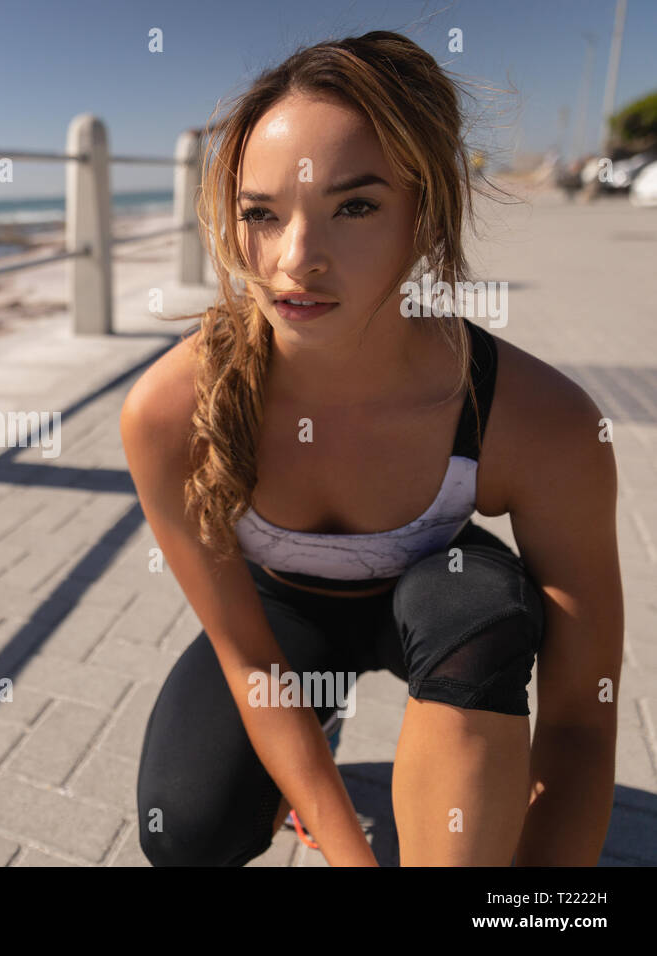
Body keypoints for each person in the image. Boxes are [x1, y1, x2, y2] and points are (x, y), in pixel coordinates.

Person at [119, 31, 623, 866]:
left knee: (475, 620)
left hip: (435, 597)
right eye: (261, 215)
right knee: (189, 828)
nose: (295, 261)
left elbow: (580, 721)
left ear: (423, 217)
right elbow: (252, 667)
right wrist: (353, 855)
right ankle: (319, 738)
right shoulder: (170, 412)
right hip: (282, 621)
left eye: (354, 206)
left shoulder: (541, 419)